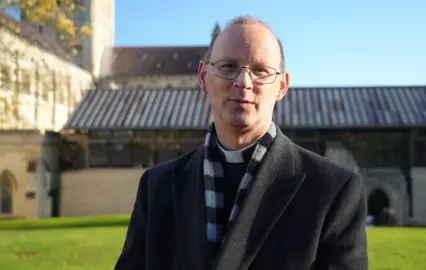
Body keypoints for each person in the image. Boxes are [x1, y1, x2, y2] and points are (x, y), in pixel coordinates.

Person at [114, 15, 368, 270]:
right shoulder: (157, 187)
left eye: (260, 71)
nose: (243, 82)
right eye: (228, 66)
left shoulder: (332, 191)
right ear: (203, 77)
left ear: (282, 86)